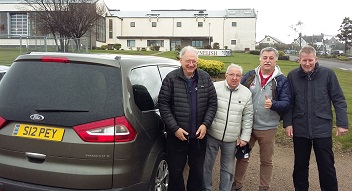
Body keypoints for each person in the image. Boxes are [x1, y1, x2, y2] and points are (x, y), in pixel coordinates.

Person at [283, 45, 349, 191]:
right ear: (299, 60)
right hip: (300, 128)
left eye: (310, 60)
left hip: (322, 128)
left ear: (316, 59)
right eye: (304, 60)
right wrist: (288, 123)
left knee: (326, 166)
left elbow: (338, 99)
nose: (307, 64)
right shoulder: (292, 76)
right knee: (300, 166)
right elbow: (289, 103)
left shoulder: (328, 74)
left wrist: (342, 123)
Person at [158, 45, 217, 191]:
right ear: (181, 60)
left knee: (197, 171)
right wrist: (175, 128)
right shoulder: (171, 78)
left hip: (198, 136)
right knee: (176, 171)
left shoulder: (205, 77)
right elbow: (163, 105)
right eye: (188, 61)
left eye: (194, 61)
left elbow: (212, 103)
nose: (191, 64)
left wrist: (205, 124)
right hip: (177, 136)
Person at [233, 47, 291, 191]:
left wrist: (273, 104)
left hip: (268, 128)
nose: (267, 60)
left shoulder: (282, 80)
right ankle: (237, 185)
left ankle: (264, 188)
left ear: (275, 60)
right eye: (265, 57)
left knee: (266, 161)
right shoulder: (250, 75)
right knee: (242, 156)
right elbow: (237, 92)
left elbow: (287, 102)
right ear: (260, 58)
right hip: (248, 126)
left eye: (271, 58)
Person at [203, 64, 253, 191]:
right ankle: (206, 188)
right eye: (231, 74)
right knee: (207, 165)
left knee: (227, 169)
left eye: (238, 75)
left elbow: (248, 117)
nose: (234, 78)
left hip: (231, 139)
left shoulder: (246, 93)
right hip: (212, 134)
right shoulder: (215, 87)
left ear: (241, 77)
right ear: (226, 75)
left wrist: (245, 137)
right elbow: (205, 108)